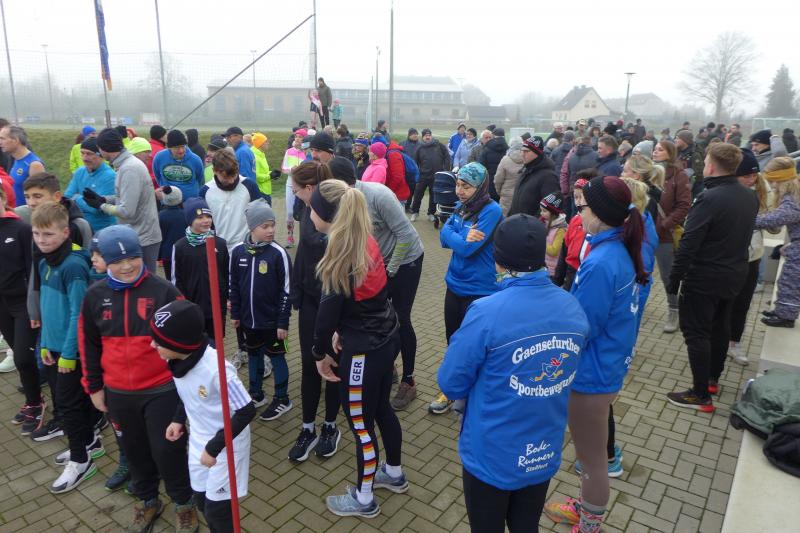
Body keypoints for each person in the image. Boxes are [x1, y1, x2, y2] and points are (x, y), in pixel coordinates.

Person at [439, 214, 589, 533]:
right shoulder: (573, 306)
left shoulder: (486, 311)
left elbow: (450, 383)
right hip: (542, 449)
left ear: (498, 259)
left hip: (492, 452)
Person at [544, 176, 648, 533]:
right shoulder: (615, 248)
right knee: (590, 455)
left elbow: (583, 326)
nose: (578, 213)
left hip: (592, 375)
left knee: (591, 460)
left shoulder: (602, 262)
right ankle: (586, 505)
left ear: (600, 213)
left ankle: (589, 523)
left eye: (583, 207)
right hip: (606, 366)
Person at [79, 225, 198, 532]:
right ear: (104, 261)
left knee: (167, 450)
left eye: (132, 257)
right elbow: (88, 345)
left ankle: (183, 503)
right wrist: (93, 387)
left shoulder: (164, 291)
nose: (127, 266)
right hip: (118, 392)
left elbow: (188, 338)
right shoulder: (94, 296)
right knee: (133, 451)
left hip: (161, 389)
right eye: (117, 261)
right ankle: (148, 501)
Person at [308, 179, 406, 518]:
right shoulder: (363, 239)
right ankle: (394, 473)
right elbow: (365, 299)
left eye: (311, 208)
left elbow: (324, 319)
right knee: (381, 409)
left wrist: (319, 354)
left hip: (365, 351)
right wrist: (344, 330)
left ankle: (364, 500)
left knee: (360, 424)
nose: (309, 213)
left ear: (325, 215)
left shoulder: (340, 255)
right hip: (384, 337)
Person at [326, 158, 425, 411]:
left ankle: (409, 381)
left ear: (343, 182)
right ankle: (388, 366)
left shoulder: (378, 195)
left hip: (406, 260)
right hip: (380, 263)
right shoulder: (340, 201)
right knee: (380, 316)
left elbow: (406, 234)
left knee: (401, 318)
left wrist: (389, 271)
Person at [665, 144, 758, 410]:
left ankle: (700, 394)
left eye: (706, 161)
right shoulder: (749, 196)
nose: (704, 164)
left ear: (712, 166)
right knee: (720, 326)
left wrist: (675, 277)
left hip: (705, 276)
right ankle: (711, 379)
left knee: (696, 332)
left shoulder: (709, 198)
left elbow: (689, 243)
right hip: (735, 274)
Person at [153, 300, 255, 533]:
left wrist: (214, 447)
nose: (152, 344)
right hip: (199, 439)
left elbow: (247, 410)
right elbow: (186, 392)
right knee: (200, 499)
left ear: (178, 343)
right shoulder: (176, 359)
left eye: (159, 341)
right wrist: (178, 418)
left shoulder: (218, 370)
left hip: (225, 446)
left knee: (218, 512)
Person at [30, 201, 99, 493]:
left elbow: (78, 315)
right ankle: (89, 442)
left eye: (48, 234)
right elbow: (49, 308)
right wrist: (45, 343)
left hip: (71, 352)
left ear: (65, 232)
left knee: (68, 406)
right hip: (53, 348)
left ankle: (81, 461)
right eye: (36, 234)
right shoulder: (45, 262)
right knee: (69, 402)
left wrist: (69, 355)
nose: (41, 240)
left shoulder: (73, 266)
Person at [429, 163, 503, 414]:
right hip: (454, 284)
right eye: (458, 185)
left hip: (480, 290)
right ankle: (452, 390)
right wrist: (457, 233)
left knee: (474, 346)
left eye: (466, 186)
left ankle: (474, 393)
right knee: (453, 339)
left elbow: (466, 249)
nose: (459, 191)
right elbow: (443, 237)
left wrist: (454, 232)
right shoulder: (463, 207)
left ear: (480, 187)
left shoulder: (492, 210)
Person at [283, 163, 342, 462]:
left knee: (331, 365)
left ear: (310, 188)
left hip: (331, 302)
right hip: (308, 299)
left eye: (296, 189)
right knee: (309, 363)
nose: (293, 193)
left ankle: (330, 425)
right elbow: (302, 257)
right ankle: (308, 428)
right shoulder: (308, 210)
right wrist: (295, 291)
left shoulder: (336, 217)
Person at [230, 199, 293, 421]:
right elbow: (234, 286)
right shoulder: (238, 252)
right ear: (252, 227)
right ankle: (256, 394)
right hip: (249, 321)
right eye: (265, 226)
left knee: (277, 358)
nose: (271, 230)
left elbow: (287, 291)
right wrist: (235, 314)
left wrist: (282, 322)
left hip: (273, 323)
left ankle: (282, 398)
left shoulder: (278, 253)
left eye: (272, 225)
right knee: (254, 356)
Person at [85, 129, 161, 273]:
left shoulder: (129, 169)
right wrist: (103, 199)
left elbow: (126, 211)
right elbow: (127, 198)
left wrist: (101, 206)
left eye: (99, 149)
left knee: (143, 282)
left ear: (104, 149)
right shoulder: (125, 165)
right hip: (139, 234)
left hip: (142, 237)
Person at [0, 185, 42, 436]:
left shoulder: (21, 229)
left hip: (22, 303)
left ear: (3, 198)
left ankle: (36, 403)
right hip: (1, 304)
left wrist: (34, 307)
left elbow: (33, 270)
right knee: (18, 353)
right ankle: (33, 400)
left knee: (24, 358)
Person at [171, 197, 229, 345]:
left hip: (217, 307)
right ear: (190, 220)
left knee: (215, 345)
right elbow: (176, 279)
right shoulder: (180, 247)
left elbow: (226, 273)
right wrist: (182, 305)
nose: (205, 221)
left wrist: (227, 297)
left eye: (208, 216)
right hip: (193, 307)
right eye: (200, 217)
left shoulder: (220, 244)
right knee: (196, 344)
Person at [728, 149, 769, 362]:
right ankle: (716, 339)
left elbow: (774, 226)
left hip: (752, 258)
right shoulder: (723, 194)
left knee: (743, 303)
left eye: (754, 175)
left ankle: (735, 343)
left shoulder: (761, 192)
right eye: (746, 176)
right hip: (728, 258)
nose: (751, 180)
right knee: (724, 302)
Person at [652, 139, 691, 333]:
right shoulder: (649, 172)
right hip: (644, 231)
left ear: (670, 153)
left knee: (668, 275)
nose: (655, 152)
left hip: (664, 234)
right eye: (655, 149)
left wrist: (665, 224)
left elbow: (684, 205)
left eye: (660, 149)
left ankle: (673, 310)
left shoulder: (678, 175)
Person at [757, 157, 800, 328]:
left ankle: (786, 318)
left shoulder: (792, 198)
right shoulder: (796, 190)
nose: (772, 185)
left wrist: (748, 219)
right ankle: (782, 311)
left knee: (791, 281)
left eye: (773, 181)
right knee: (787, 279)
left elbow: (778, 218)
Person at [200, 149, 262, 254]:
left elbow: (260, 216)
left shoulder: (249, 186)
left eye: (233, 175)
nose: (231, 181)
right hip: (219, 249)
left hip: (245, 247)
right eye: (226, 177)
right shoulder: (205, 191)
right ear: (214, 171)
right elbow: (203, 224)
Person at [64, 137, 117, 233]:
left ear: (100, 155)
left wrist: (76, 197)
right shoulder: (80, 172)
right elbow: (67, 198)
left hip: (102, 231)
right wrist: (83, 200)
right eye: (82, 153)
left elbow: (95, 208)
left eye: (89, 154)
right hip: (80, 229)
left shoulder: (110, 176)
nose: (84, 158)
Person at [508, 137, 559, 218]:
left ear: (537, 153)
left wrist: (533, 223)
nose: (522, 154)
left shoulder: (548, 177)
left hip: (531, 224)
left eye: (526, 151)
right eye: (522, 151)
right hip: (517, 221)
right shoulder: (526, 170)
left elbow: (549, 208)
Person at [152, 129, 206, 202]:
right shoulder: (159, 157)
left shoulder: (195, 159)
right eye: (177, 148)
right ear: (169, 147)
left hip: (190, 202)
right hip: (168, 202)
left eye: (183, 146)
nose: (181, 150)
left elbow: (201, 180)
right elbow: (157, 176)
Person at [411, 129, 451, 222]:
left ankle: (431, 213)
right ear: (423, 137)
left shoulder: (439, 145)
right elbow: (415, 162)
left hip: (436, 176)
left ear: (431, 136)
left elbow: (447, 157)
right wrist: (417, 172)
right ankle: (415, 212)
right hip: (423, 176)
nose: (427, 137)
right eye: (425, 136)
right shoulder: (419, 147)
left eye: (429, 135)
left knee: (434, 196)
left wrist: (445, 169)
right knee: (417, 195)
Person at [0, 125, 45, 205]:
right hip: (14, 211)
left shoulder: (34, 164)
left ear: (16, 140)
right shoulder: (15, 160)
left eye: (2, 139)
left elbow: (40, 196)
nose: (0, 142)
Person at [281, 133, 306, 248]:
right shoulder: (289, 151)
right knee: (290, 212)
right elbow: (284, 168)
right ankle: (290, 236)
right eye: (296, 137)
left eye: (300, 137)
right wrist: (291, 169)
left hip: (303, 185)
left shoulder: (307, 152)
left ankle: (304, 238)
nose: (297, 139)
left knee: (303, 213)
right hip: (290, 185)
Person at [156, 186, 185, 280]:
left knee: (170, 278)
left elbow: (159, 236)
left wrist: (159, 255)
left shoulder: (160, 216)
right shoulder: (185, 214)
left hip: (167, 253)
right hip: (184, 251)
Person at [493, 138, 525, 215]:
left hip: (507, 195)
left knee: (505, 217)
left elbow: (498, 179)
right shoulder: (528, 159)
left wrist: (499, 192)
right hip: (523, 194)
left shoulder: (505, 159)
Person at [539, 193, 567, 279]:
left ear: (553, 213)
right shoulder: (544, 222)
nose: (541, 213)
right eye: (541, 210)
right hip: (543, 265)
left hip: (552, 270)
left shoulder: (561, 229)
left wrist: (539, 241)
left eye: (544, 211)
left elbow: (554, 251)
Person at [479, 128, 508, 201]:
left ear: (494, 137)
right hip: (505, 185)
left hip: (489, 184)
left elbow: (480, 167)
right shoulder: (508, 149)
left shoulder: (486, 149)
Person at [674, 130, 706, 198]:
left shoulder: (695, 154)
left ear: (685, 140)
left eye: (677, 138)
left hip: (692, 189)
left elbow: (699, 174)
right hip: (680, 184)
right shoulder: (678, 151)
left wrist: (690, 183)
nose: (675, 140)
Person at [251, 132, 278, 203]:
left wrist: (272, 174)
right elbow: (256, 176)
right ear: (260, 144)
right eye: (266, 142)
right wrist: (269, 176)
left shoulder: (261, 154)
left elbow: (263, 172)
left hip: (265, 190)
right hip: (260, 192)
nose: (268, 143)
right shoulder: (255, 156)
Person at [384, 138, 412, 204]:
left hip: (398, 194)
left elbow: (398, 176)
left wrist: (388, 190)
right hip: (395, 193)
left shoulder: (393, 155)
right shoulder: (389, 152)